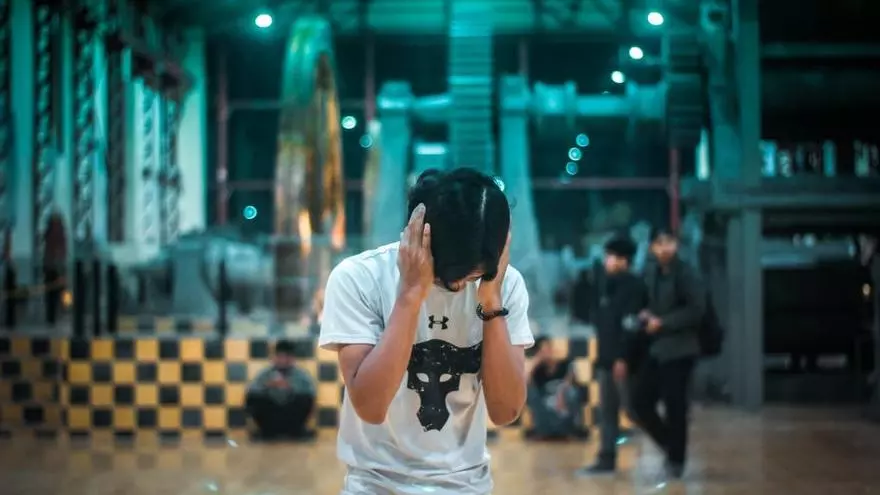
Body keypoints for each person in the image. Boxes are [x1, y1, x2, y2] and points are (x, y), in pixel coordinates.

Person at [319, 168, 534, 495]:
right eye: (449, 278)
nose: (459, 286)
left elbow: (506, 411)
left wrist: (491, 301)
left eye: (472, 276)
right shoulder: (358, 278)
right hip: (374, 484)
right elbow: (370, 407)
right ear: (418, 234)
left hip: (467, 485)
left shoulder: (505, 286)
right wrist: (410, 296)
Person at [630, 227, 706, 479]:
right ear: (652, 247)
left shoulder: (686, 273)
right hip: (657, 348)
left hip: (681, 349)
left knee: (675, 406)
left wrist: (663, 322)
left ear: (676, 244)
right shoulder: (652, 272)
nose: (665, 248)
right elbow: (648, 302)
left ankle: (676, 461)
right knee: (639, 402)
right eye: (659, 243)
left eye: (669, 242)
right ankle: (671, 447)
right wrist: (645, 315)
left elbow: (697, 310)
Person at [577, 234, 648, 475]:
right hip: (606, 359)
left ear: (624, 260)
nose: (607, 261)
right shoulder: (604, 285)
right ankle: (606, 458)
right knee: (608, 412)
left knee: (634, 409)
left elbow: (630, 326)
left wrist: (623, 357)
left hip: (626, 361)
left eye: (611, 256)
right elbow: (590, 314)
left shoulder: (634, 287)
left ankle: (666, 450)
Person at [245, 340, 316, 440]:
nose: (283, 360)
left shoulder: (300, 375)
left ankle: (296, 431)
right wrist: (267, 386)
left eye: (286, 357)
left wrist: (291, 387)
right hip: (270, 417)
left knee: (305, 398)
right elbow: (251, 390)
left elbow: (310, 392)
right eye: (280, 357)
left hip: (291, 417)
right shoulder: (265, 374)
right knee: (253, 398)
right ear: (274, 357)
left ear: (292, 358)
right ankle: (266, 431)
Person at [525, 337, 584, 440]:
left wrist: (561, 394)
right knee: (531, 394)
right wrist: (535, 362)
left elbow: (570, 381)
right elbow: (526, 382)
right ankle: (543, 431)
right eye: (543, 350)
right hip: (546, 400)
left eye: (548, 348)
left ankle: (572, 429)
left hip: (563, 398)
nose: (547, 352)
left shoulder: (564, 364)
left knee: (572, 393)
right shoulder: (539, 370)